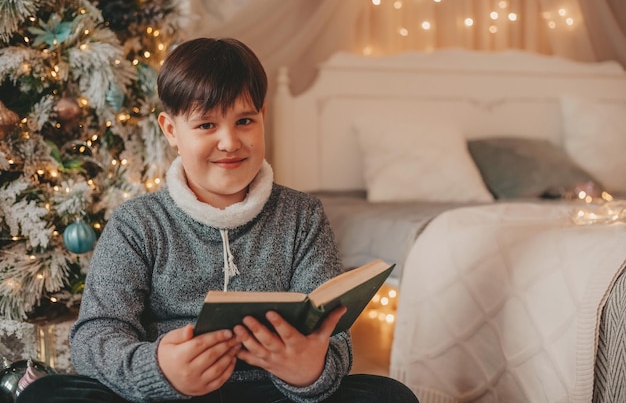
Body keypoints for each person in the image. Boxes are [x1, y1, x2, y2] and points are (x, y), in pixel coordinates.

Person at [17, 37, 419, 403]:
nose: (229, 142)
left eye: (245, 121)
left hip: (273, 391)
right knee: (48, 395)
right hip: (168, 394)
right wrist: (159, 370)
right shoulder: (136, 223)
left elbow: (335, 338)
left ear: (263, 115)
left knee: (390, 396)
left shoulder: (303, 216)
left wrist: (309, 370)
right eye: (207, 125)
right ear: (171, 130)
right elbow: (96, 335)